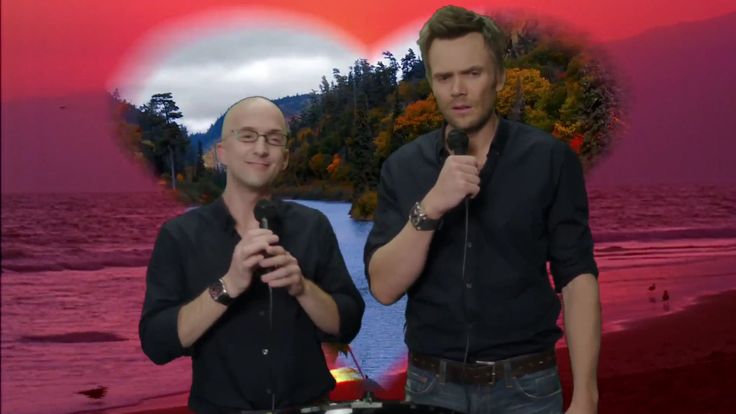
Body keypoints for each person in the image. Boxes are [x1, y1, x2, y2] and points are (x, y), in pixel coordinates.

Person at [364, 5, 600, 414]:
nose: (458, 89)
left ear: (500, 76)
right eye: (444, 77)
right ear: (432, 84)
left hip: (527, 388)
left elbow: (577, 280)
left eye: (472, 73)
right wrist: (432, 205)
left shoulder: (550, 159)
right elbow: (383, 288)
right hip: (430, 388)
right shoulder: (401, 168)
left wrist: (586, 395)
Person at [140, 96, 365, 413]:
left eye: (273, 139)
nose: (261, 148)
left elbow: (348, 323)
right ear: (222, 153)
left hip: (310, 406)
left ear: (284, 158)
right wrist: (227, 285)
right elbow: (156, 343)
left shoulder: (313, 226)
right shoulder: (179, 236)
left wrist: (303, 288)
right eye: (247, 136)